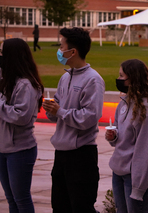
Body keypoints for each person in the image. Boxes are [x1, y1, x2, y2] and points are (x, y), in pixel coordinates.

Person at [42, 27, 105, 213]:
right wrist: (51, 110)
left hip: (81, 155)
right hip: (61, 153)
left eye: (62, 47)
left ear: (73, 51)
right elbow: (59, 110)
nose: (59, 51)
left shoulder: (93, 80)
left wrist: (60, 111)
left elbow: (90, 118)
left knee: (81, 207)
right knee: (60, 207)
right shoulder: (65, 77)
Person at [105, 59, 148, 213]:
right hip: (119, 172)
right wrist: (113, 136)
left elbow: (147, 151)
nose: (118, 80)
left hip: (135, 177)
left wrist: (138, 188)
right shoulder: (124, 103)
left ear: (133, 78)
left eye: (121, 76)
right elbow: (121, 136)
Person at [0, 38, 44, 212]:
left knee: (21, 199)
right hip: (3, 149)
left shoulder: (26, 84)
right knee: (11, 199)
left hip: (20, 150)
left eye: (3, 53)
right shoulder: (7, 80)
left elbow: (21, 117)